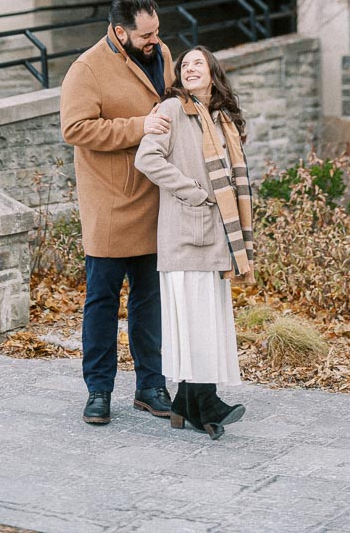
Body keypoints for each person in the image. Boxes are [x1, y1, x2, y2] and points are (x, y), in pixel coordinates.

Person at [60, 0, 175, 426]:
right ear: (118, 31)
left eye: (157, 31)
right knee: (102, 303)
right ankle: (99, 392)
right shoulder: (86, 69)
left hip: (154, 199)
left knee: (150, 302)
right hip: (109, 204)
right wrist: (140, 127)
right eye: (145, 34)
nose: (155, 40)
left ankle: (150, 387)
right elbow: (75, 128)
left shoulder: (161, 53)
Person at [134, 45, 253, 440]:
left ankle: (187, 406)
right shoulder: (170, 110)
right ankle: (207, 402)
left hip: (215, 237)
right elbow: (147, 159)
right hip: (186, 232)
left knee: (206, 321)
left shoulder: (221, 121)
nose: (189, 68)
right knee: (194, 320)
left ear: (214, 72)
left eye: (197, 63)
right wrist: (193, 192)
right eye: (184, 65)